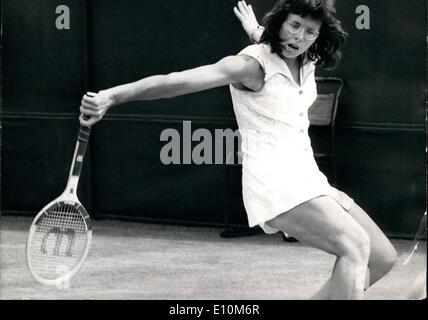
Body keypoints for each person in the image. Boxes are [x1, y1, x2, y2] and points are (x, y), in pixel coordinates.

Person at [80, 0, 397, 299]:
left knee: (382, 258)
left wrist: (257, 29)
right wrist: (113, 96)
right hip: (276, 184)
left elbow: (279, 48)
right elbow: (176, 81)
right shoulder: (250, 66)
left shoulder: (305, 57)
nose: (299, 37)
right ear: (281, 21)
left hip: (308, 178)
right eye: (294, 25)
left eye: (310, 31)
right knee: (355, 247)